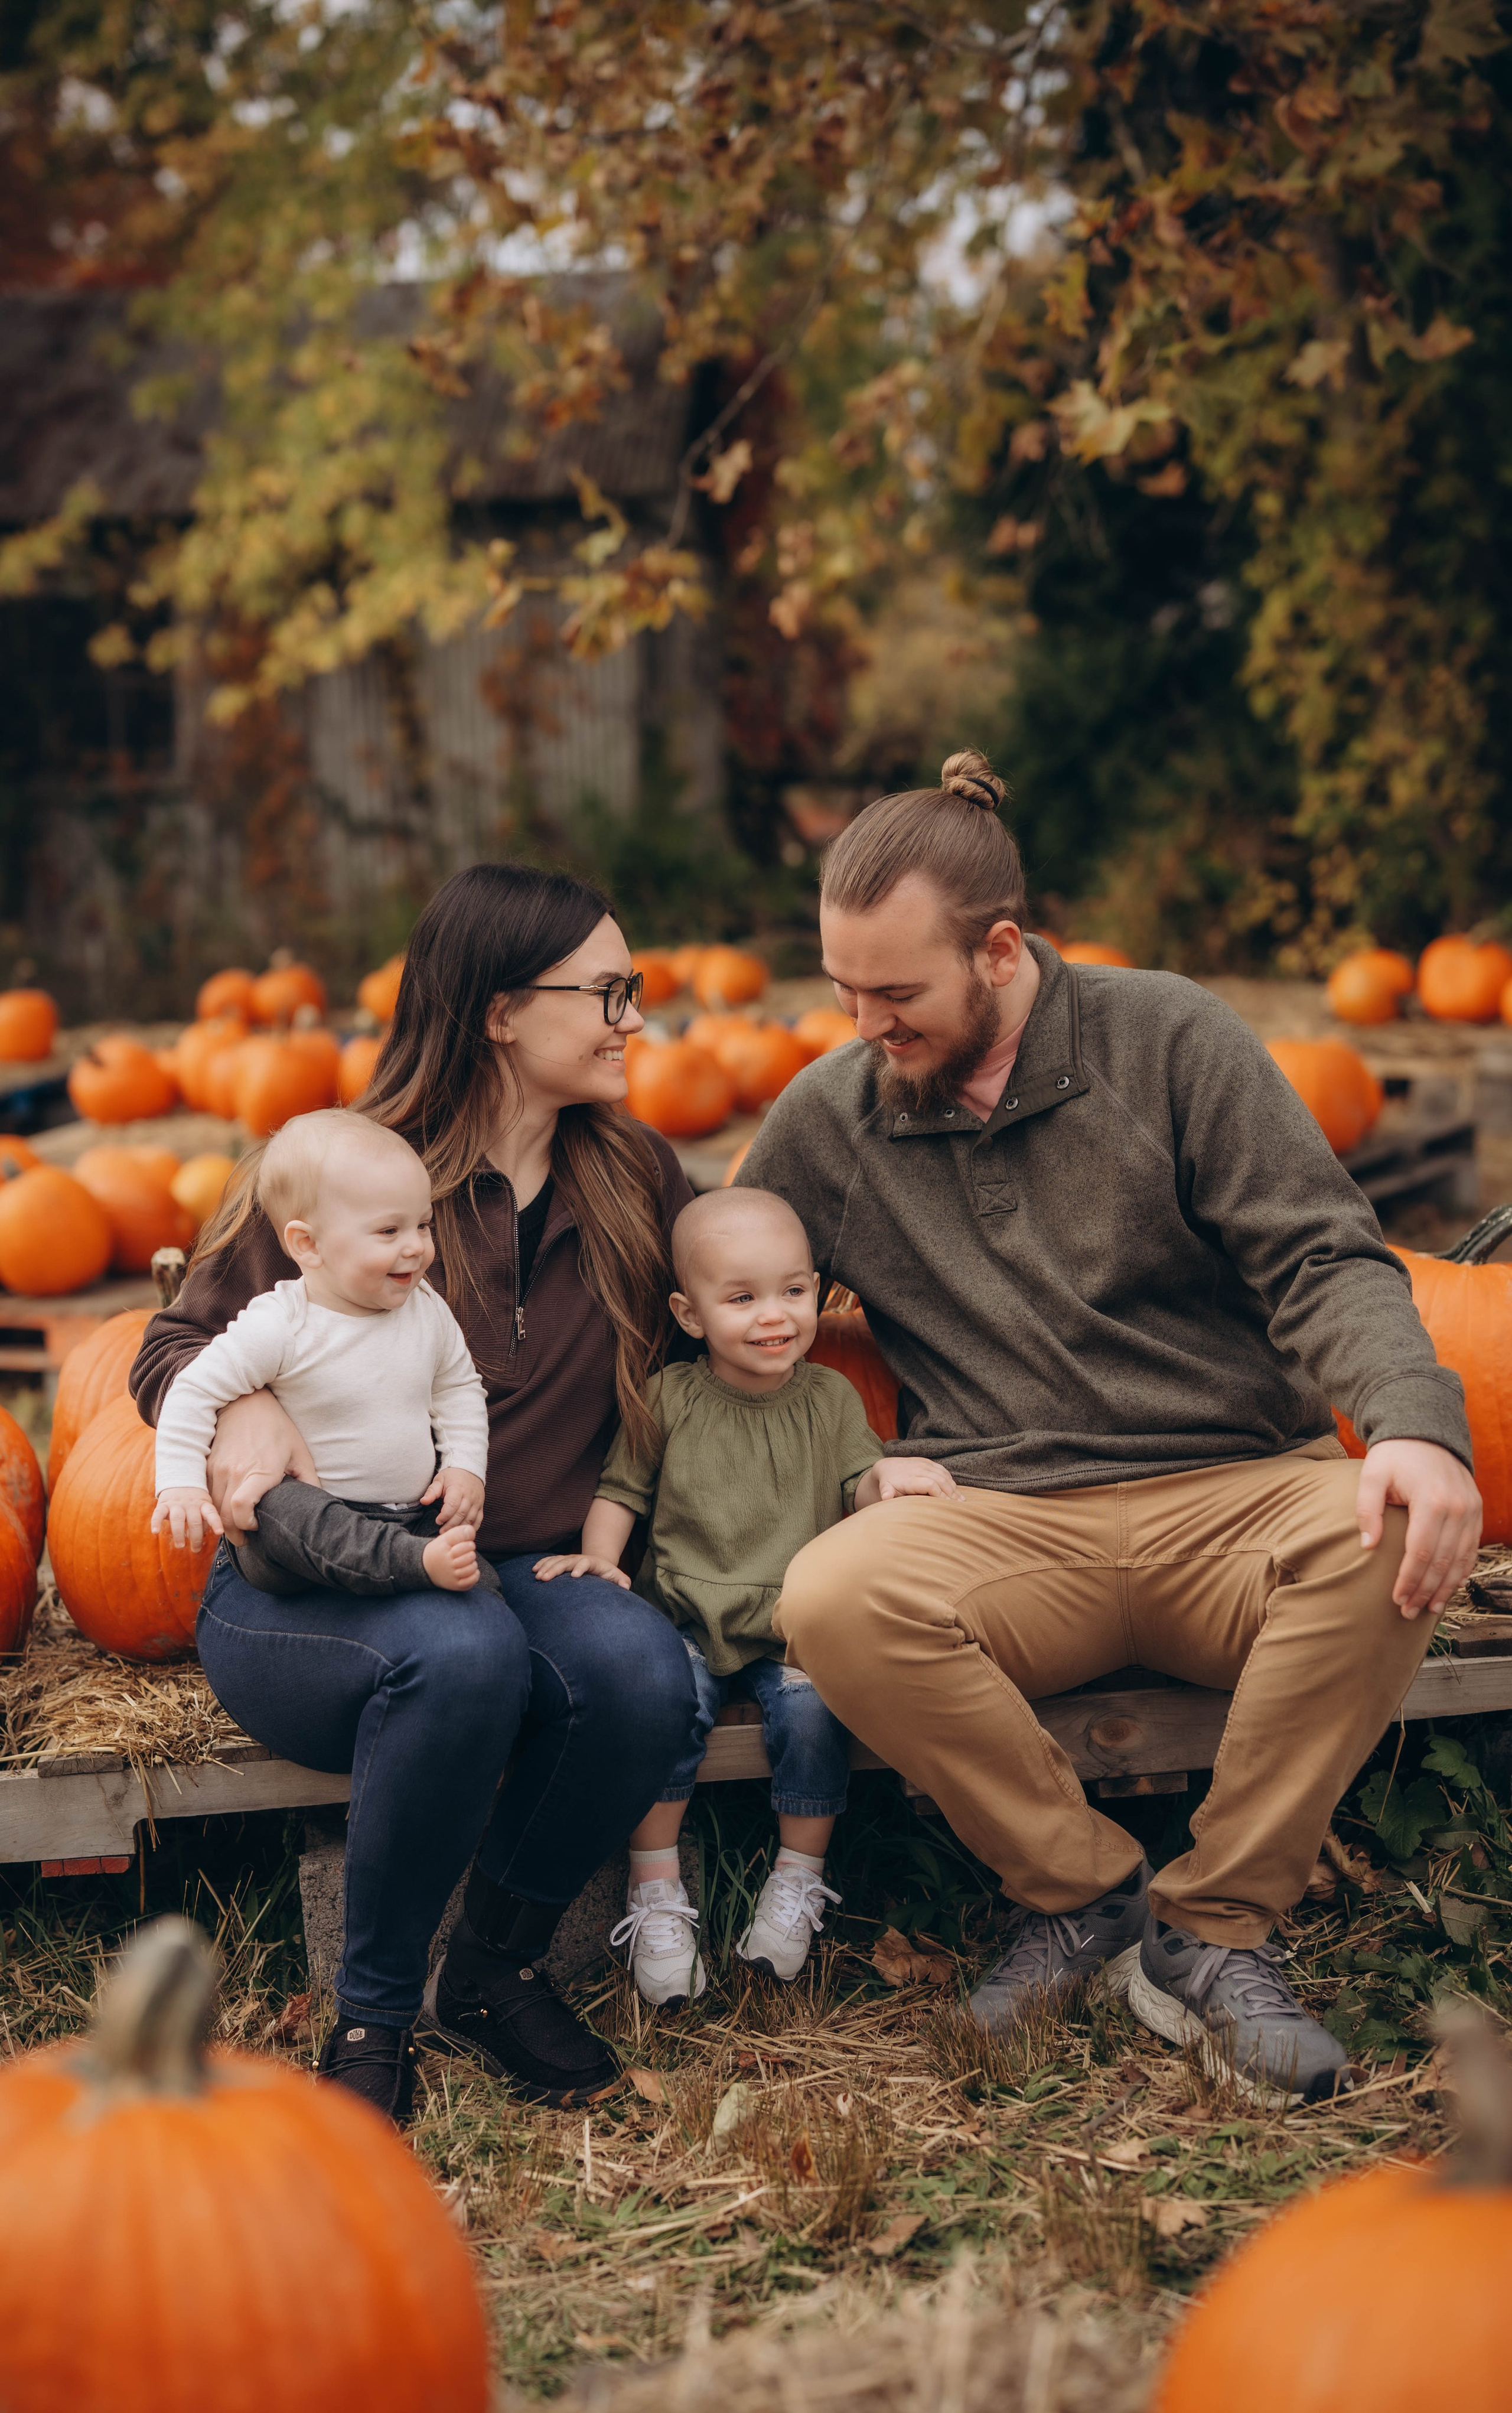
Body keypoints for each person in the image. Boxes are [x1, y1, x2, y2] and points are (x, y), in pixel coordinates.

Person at [739, 748, 1482, 2104]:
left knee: (1373, 1531)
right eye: (843, 993)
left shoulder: (1169, 1037)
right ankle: (1078, 1890)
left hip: (1234, 1487)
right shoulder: (832, 1115)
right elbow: (710, 1297)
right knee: (834, 1592)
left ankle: (1208, 1933)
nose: (863, 1027)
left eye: (895, 994)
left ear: (999, 951)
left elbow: (1321, 1253)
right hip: (1001, 1519)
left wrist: (1415, 1427)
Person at [130, 864, 701, 2126]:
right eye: (607, 990)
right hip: (315, 1592)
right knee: (459, 1653)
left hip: (517, 1566)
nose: (632, 1017)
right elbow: (168, 1349)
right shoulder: (350, 1173)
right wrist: (249, 1404)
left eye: (633, 987)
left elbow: (748, 1290)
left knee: (640, 1676)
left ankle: (493, 1970)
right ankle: (373, 2011)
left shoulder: (637, 1179)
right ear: (500, 1009)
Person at [536, 1187, 955, 2005]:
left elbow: (855, 1483)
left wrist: (886, 1475)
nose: (775, 1316)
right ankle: (655, 1889)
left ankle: (798, 1879)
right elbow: (622, 1492)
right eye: (742, 1298)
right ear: (689, 1316)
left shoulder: (831, 1398)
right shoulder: (669, 1398)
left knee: (810, 1714)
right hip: (685, 1617)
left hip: (790, 1623)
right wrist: (601, 1565)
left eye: (794, 1291)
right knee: (668, 1711)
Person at [152, 1110, 496, 1598]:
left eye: (423, 1224)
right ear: (307, 1244)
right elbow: (192, 1390)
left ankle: (412, 1564)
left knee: (486, 1585)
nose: (416, 1247)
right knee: (282, 1509)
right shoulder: (281, 1323)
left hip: (407, 1514)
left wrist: (464, 1465)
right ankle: (410, 1566)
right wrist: (180, 1482)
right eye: (388, 1232)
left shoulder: (428, 1311)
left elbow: (459, 1388)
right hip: (310, 1523)